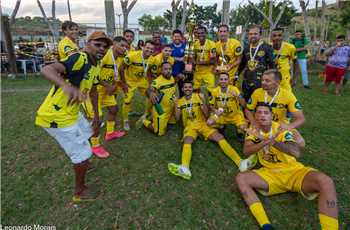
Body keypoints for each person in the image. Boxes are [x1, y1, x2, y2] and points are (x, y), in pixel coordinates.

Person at [35, 31, 112, 202]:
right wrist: (64, 85)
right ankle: (80, 192)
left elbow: (92, 90)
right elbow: (47, 69)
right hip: (56, 116)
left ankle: (83, 162)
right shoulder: (80, 58)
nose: (102, 49)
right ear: (87, 44)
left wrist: (97, 116)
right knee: (82, 153)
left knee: (88, 132)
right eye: (97, 44)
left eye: (105, 47)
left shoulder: (96, 64)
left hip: (71, 113)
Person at [236, 104, 338, 230]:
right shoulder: (254, 131)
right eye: (259, 113)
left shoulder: (281, 128)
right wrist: (264, 141)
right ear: (255, 116)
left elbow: (296, 152)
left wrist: (273, 141)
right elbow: (246, 151)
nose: (262, 115)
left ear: (271, 116)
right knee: (241, 178)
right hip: (270, 174)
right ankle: (266, 225)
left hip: (294, 171)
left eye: (266, 113)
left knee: (326, 181)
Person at [167, 81, 256, 180]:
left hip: (203, 124)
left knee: (219, 137)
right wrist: (176, 105)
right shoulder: (179, 101)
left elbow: (206, 114)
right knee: (187, 141)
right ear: (182, 89)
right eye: (185, 87)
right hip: (190, 126)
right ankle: (185, 168)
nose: (188, 89)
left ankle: (240, 163)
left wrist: (203, 102)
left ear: (192, 89)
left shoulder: (198, 96)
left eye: (189, 87)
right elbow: (177, 118)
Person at [83, 36, 128, 158]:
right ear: (114, 44)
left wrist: (117, 85)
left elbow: (115, 74)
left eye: (126, 47)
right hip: (93, 91)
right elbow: (93, 74)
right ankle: (95, 145)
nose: (125, 49)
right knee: (97, 119)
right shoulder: (104, 55)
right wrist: (108, 85)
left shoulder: (119, 59)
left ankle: (110, 132)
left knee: (114, 109)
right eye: (122, 45)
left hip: (106, 90)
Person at [245, 69, 305, 149]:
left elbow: (301, 118)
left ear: (277, 82)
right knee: (249, 145)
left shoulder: (288, 95)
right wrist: (254, 123)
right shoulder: (257, 92)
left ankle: (271, 142)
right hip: (261, 124)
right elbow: (248, 110)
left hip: (279, 126)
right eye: (262, 80)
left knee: (300, 143)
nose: (263, 82)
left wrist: (290, 126)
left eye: (267, 81)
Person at [119, 40, 155, 131]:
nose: (149, 50)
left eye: (152, 49)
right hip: (130, 81)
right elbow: (121, 68)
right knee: (127, 100)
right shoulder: (132, 56)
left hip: (141, 80)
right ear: (143, 47)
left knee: (151, 95)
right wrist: (123, 83)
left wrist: (150, 84)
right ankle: (126, 120)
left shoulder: (152, 59)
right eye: (148, 48)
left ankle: (146, 114)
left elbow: (150, 72)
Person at [238, 25, 274, 101]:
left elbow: (272, 66)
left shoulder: (267, 47)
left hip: (261, 83)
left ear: (260, 35)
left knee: (260, 105)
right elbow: (242, 64)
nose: (252, 36)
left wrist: (272, 81)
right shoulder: (247, 48)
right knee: (247, 105)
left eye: (255, 34)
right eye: (250, 34)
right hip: (247, 82)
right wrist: (236, 75)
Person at [207, 72, 247, 137]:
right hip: (222, 115)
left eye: (225, 79)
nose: (223, 81)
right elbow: (211, 105)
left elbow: (244, 105)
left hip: (235, 115)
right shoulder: (214, 91)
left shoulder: (234, 89)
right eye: (221, 79)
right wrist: (215, 111)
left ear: (228, 81)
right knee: (209, 123)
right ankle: (221, 126)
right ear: (218, 81)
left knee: (243, 128)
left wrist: (237, 96)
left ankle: (239, 131)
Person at [140, 62, 176, 135]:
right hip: (161, 110)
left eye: (170, 69)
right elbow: (149, 89)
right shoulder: (157, 81)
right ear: (161, 71)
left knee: (172, 123)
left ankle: (154, 118)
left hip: (171, 108)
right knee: (158, 132)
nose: (168, 71)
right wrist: (151, 93)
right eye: (165, 69)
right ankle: (144, 121)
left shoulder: (172, 78)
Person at [271, 28, 297, 92]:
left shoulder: (290, 47)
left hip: (285, 79)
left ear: (283, 37)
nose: (277, 38)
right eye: (274, 36)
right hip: (271, 78)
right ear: (271, 37)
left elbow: (295, 62)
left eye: (279, 35)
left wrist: (294, 78)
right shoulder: (267, 47)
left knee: (287, 99)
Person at [193, 25, 217, 92]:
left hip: (208, 72)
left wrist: (197, 62)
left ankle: (210, 102)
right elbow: (193, 57)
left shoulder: (211, 44)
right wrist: (191, 66)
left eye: (202, 33)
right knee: (195, 91)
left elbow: (212, 61)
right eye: (198, 33)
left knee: (211, 92)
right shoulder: (195, 44)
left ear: (206, 33)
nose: (200, 35)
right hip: (198, 72)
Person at [170, 29, 187, 96]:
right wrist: (179, 59)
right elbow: (167, 58)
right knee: (170, 92)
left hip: (183, 74)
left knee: (182, 92)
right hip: (172, 73)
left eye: (178, 36)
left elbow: (188, 58)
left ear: (181, 37)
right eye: (175, 36)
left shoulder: (186, 46)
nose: (177, 38)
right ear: (172, 37)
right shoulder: (169, 46)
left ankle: (181, 105)